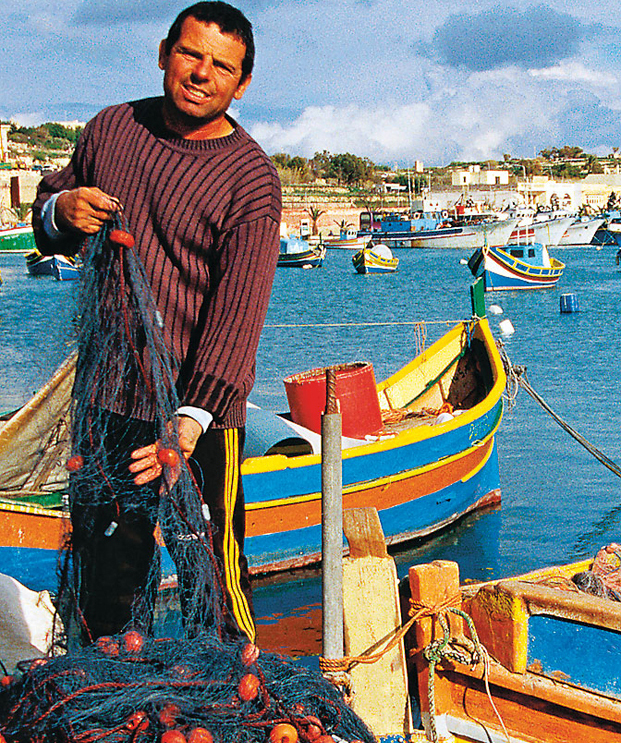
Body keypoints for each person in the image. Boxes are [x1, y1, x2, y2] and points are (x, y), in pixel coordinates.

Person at [32, 1, 282, 644]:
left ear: (242, 84)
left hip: (196, 416)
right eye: (191, 54)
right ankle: (104, 692)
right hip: (106, 399)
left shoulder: (251, 179)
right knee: (106, 571)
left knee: (213, 576)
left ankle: (235, 690)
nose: (202, 73)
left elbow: (240, 311)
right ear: (164, 53)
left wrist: (190, 422)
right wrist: (62, 208)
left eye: (221, 66)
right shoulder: (110, 130)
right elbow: (49, 214)